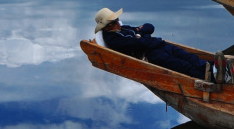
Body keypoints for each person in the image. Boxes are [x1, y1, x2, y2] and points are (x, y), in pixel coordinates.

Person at [94, 7, 222, 80]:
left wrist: (141, 34)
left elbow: (150, 27)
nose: (117, 23)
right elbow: (140, 44)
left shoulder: (123, 28)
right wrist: (141, 34)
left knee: (188, 56)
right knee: (181, 66)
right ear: (106, 27)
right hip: (151, 55)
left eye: (117, 20)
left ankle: (214, 67)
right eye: (113, 22)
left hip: (158, 45)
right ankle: (211, 78)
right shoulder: (114, 40)